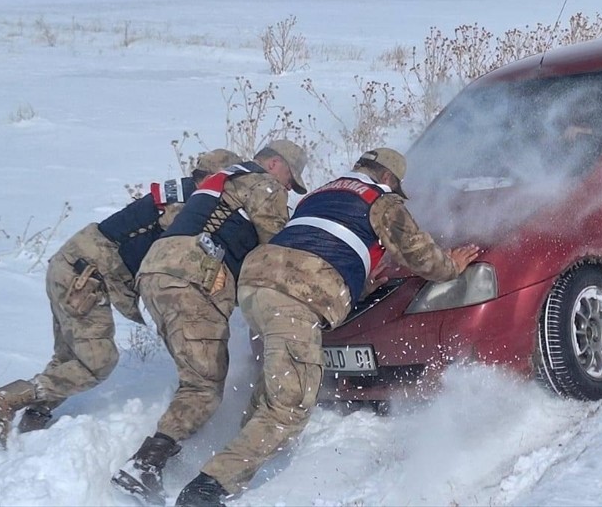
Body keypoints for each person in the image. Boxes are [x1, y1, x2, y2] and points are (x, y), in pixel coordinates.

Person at [174, 147, 480, 507]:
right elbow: (419, 253)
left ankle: (232, 448)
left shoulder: (322, 193)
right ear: (387, 179)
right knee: (289, 406)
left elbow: (319, 244)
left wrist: (358, 283)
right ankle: (207, 489)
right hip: (294, 297)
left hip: (257, 285)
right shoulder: (380, 199)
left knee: (273, 387)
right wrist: (452, 266)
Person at [0, 148, 241, 449]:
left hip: (71, 267)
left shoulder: (174, 191)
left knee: (68, 359)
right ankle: (6, 399)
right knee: (97, 363)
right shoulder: (189, 201)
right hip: (84, 278)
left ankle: (33, 422)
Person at [112, 139, 307, 505]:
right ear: (276, 165)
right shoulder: (263, 183)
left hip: (157, 272)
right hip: (196, 279)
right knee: (204, 386)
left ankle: (159, 456)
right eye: (289, 181)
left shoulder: (220, 178)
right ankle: (143, 467)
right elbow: (275, 251)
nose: (286, 190)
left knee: (197, 378)